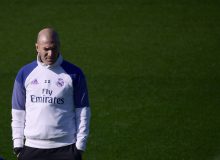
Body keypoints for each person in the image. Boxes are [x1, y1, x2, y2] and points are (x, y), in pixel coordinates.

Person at [11, 28, 91, 160]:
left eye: (54, 48)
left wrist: (80, 146)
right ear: (37, 47)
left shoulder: (74, 74)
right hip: (32, 148)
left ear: (59, 46)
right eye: (46, 49)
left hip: (66, 148)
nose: (51, 53)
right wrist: (18, 146)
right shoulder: (25, 73)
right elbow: (18, 111)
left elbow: (83, 111)